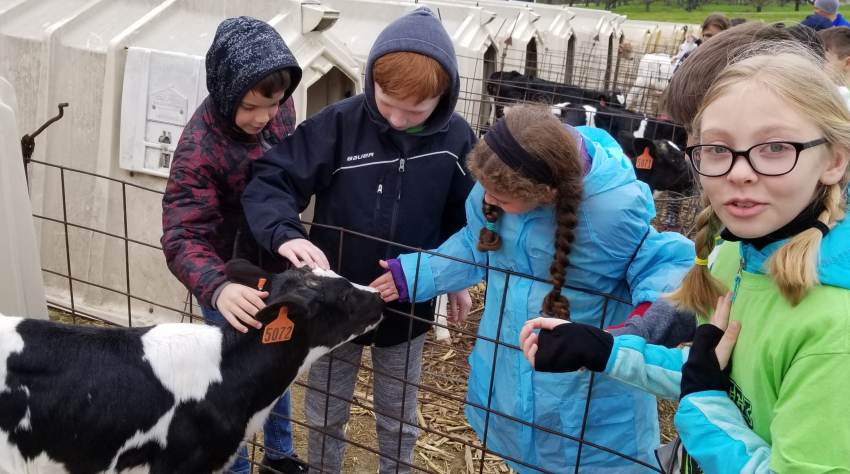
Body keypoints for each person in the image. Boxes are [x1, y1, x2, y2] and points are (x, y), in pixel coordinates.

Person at [522, 46, 850, 473]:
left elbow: (709, 391)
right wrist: (603, 349)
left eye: (773, 147)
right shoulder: (736, 254)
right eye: (717, 148)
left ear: (834, 160)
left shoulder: (835, 328)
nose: (738, 172)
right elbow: (712, 370)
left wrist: (702, 405)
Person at [371, 105, 695, 473]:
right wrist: (414, 274)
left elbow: (663, 265)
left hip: (587, 389)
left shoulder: (611, 213)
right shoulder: (494, 187)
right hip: (510, 365)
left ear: (547, 193)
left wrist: (641, 325)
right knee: (522, 455)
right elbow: (477, 243)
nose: (487, 200)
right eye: (485, 191)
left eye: (502, 199)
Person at [241, 7, 476, 474]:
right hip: (333, 300)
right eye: (387, 102)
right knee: (326, 409)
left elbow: (463, 220)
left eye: (415, 111)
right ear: (371, 80)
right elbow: (272, 180)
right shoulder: (340, 125)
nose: (396, 118)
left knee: (399, 415)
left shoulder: (457, 139)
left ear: (444, 95)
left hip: (407, 305)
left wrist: (452, 278)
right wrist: (286, 234)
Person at [160, 17, 306, 474]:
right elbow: (182, 234)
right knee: (235, 379)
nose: (263, 118)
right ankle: (235, 465)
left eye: (273, 105)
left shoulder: (279, 111)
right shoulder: (199, 149)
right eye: (250, 108)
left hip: (275, 262)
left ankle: (280, 457)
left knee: (279, 359)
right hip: (228, 280)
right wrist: (218, 287)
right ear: (225, 91)